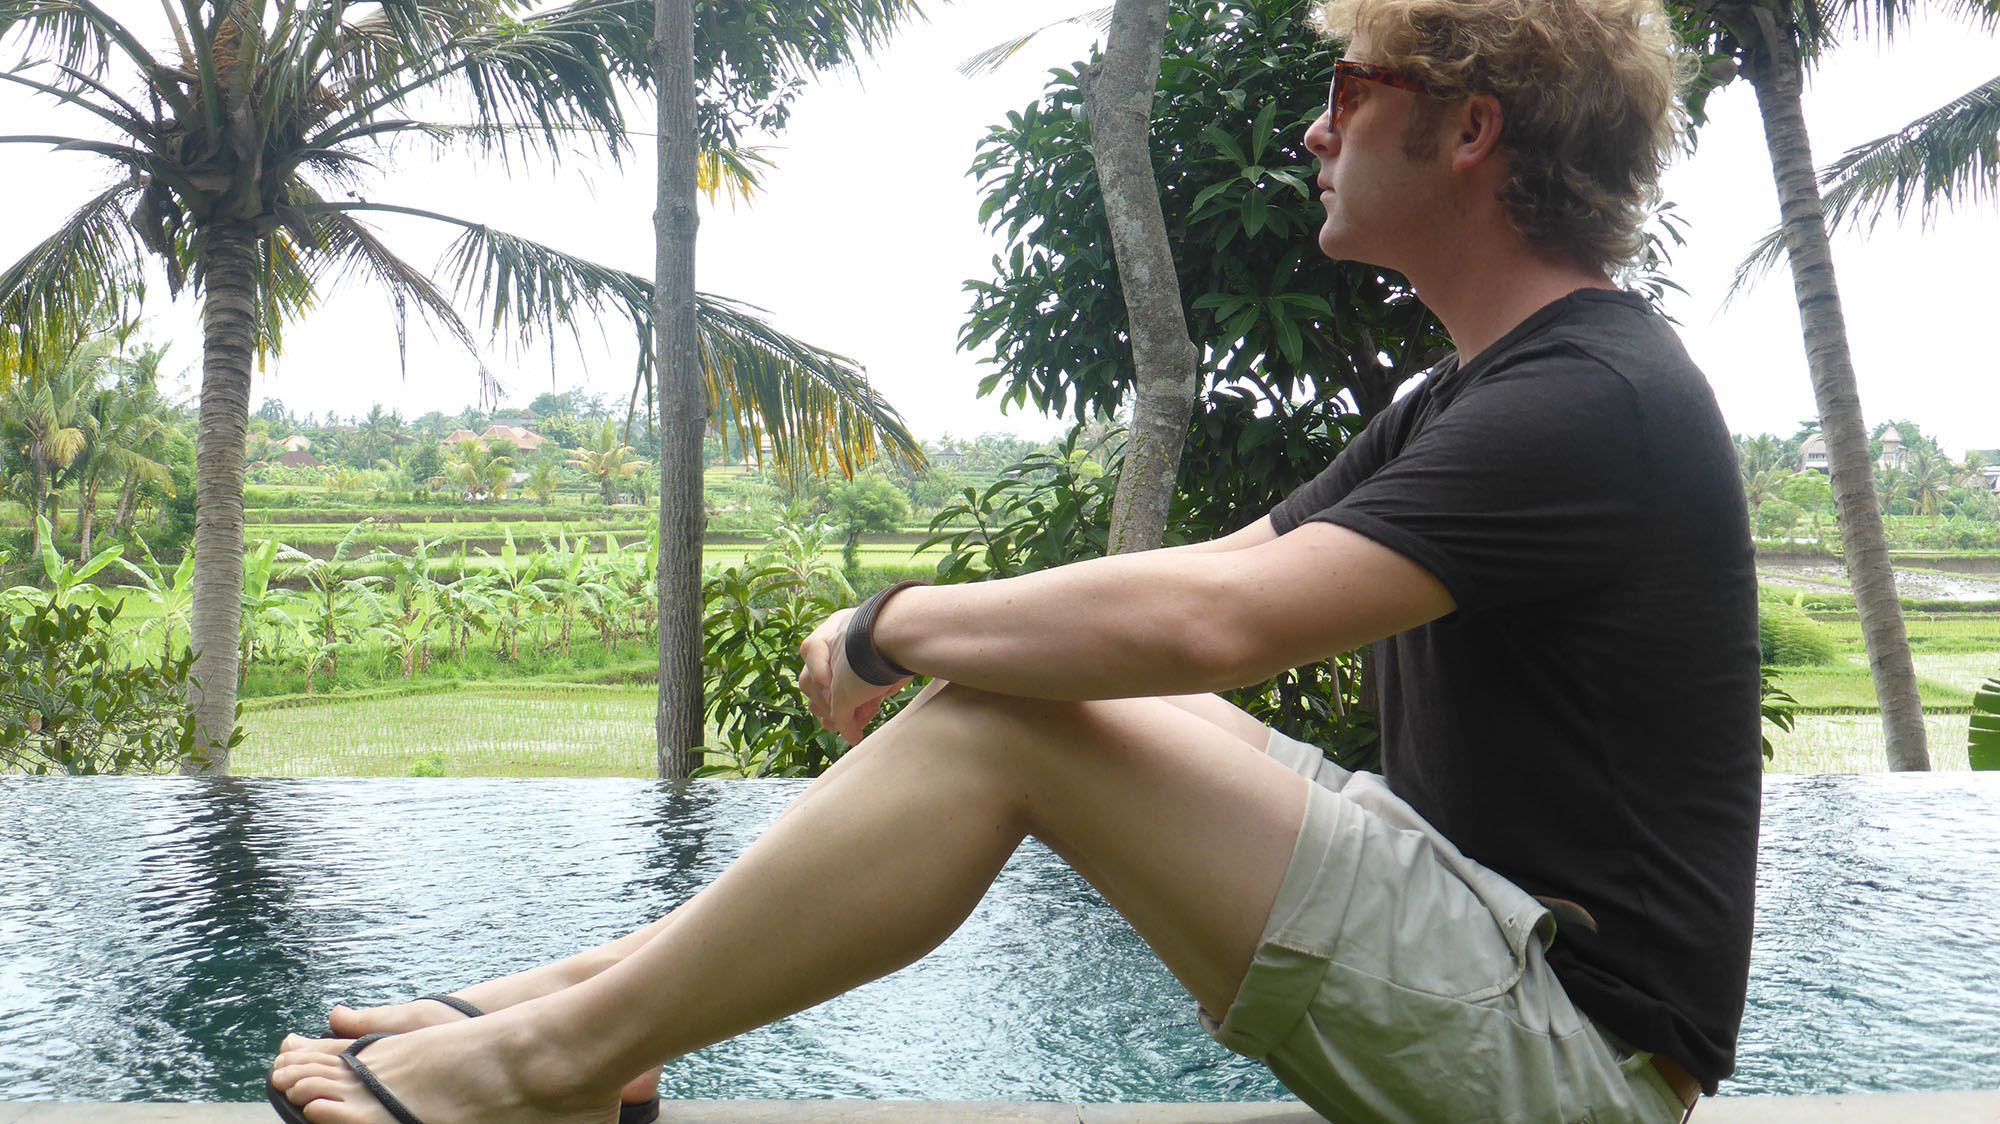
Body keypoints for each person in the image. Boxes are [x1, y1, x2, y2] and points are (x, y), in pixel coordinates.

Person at [266, 0, 1758, 1120]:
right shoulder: (1481, 389)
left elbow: (1210, 623)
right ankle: (583, 1015)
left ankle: (546, 1063)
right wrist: (943, 631)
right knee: (1051, 681)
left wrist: (899, 621)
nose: (1317, 128)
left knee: (1008, 713)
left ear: (1471, 124)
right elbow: (1229, 562)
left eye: (1347, 87)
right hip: (1497, 959)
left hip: (1576, 1065)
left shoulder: (1590, 401)